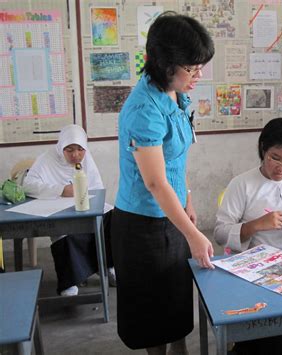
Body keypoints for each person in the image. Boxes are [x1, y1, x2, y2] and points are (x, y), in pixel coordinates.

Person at [111, 12, 215, 355]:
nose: (198, 75)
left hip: (171, 214)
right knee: (152, 315)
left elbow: (175, 160)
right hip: (142, 225)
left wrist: (187, 200)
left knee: (175, 299)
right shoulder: (144, 108)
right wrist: (192, 234)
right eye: (192, 67)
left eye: (200, 67)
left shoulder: (175, 94)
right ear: (165, 62)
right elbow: (155, 182)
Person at [22, 124, 115, 296]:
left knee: (112, 215)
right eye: (69, 150)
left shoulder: (87, 159)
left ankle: (108, 265)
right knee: (65, 232)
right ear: (61, 148)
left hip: (84, 206)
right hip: (56, 210)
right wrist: (61, 190)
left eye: (80, 149)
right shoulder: (47, 159)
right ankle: (70, 281)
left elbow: (97, 188)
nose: (75, 155)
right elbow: (28, 185)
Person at [214, 117, 282, 251]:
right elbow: (220, 234)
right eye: (276, 158)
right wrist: (255, 225)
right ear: (263, 149)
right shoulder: (242, 184)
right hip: (256, 260)